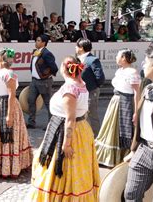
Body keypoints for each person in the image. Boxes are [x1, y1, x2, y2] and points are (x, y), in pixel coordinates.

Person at [29, 55, 100, 201]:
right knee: (78, 166)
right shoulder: (80, 83)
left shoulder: (70, 88)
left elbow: (70, 119)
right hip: (80, 130)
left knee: (64, 167)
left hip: (67, 132)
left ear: (64, 68)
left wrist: (66, 144)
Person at [124, 45, 153, 201]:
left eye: (146, 62)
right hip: (143, 150)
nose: (143, 65)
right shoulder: (148, 88)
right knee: (131, 194)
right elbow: (140, 123)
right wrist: (133, 149)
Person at [0, 48, 33, 177]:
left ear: (1, 59)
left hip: (6, 105)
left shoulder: (10, 74)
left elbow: (11, 95)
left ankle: (8, 166)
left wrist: (9, 114)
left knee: (6, 136)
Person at [95, 49, 139, 167]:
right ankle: (106, 157)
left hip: (126, 102)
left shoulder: (132, 72)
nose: (116, 58)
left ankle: (122, 156)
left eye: (118, 56)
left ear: (124, 58)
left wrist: (136, 112)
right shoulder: (120, 70)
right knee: (110, 127)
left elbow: (137, 93)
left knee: (123, 129)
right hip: (115, 101)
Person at [27, 34, 58, 129]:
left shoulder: (47, 53)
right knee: (31, 100)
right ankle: (31, 122)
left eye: (38, 40)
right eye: (36, 40)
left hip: (44, 81)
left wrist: (47, 75)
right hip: (34, 80)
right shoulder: (36, 52)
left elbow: (54, 68)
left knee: (48, 103)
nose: (36, 42)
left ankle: (51, 124)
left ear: (44, 43)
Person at [75, 39, 105, 136]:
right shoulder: (78, 59)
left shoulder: (92, 59)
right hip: (80, 91)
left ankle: (96, 136)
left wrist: (95, 87)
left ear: (81, 48)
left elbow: (99, 76)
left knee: (92, 114)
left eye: (77, 46)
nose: (75, 48)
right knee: (82, 114)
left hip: (91, 91)